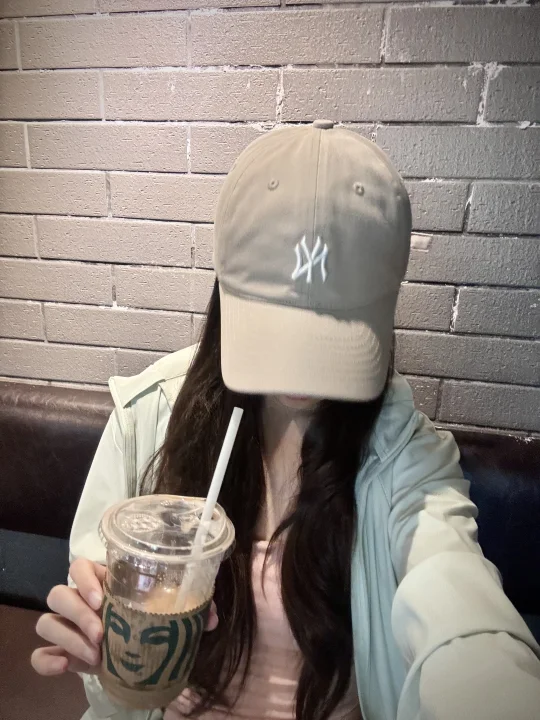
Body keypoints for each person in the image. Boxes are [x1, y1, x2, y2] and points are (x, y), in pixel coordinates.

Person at [32, 121, 540, 720]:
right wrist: (102, 651)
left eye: (329, 331)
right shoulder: (148, 419)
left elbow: (455, 594)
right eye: (277, 326)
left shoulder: (405, 456)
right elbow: (109, 675)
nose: (301, 373)